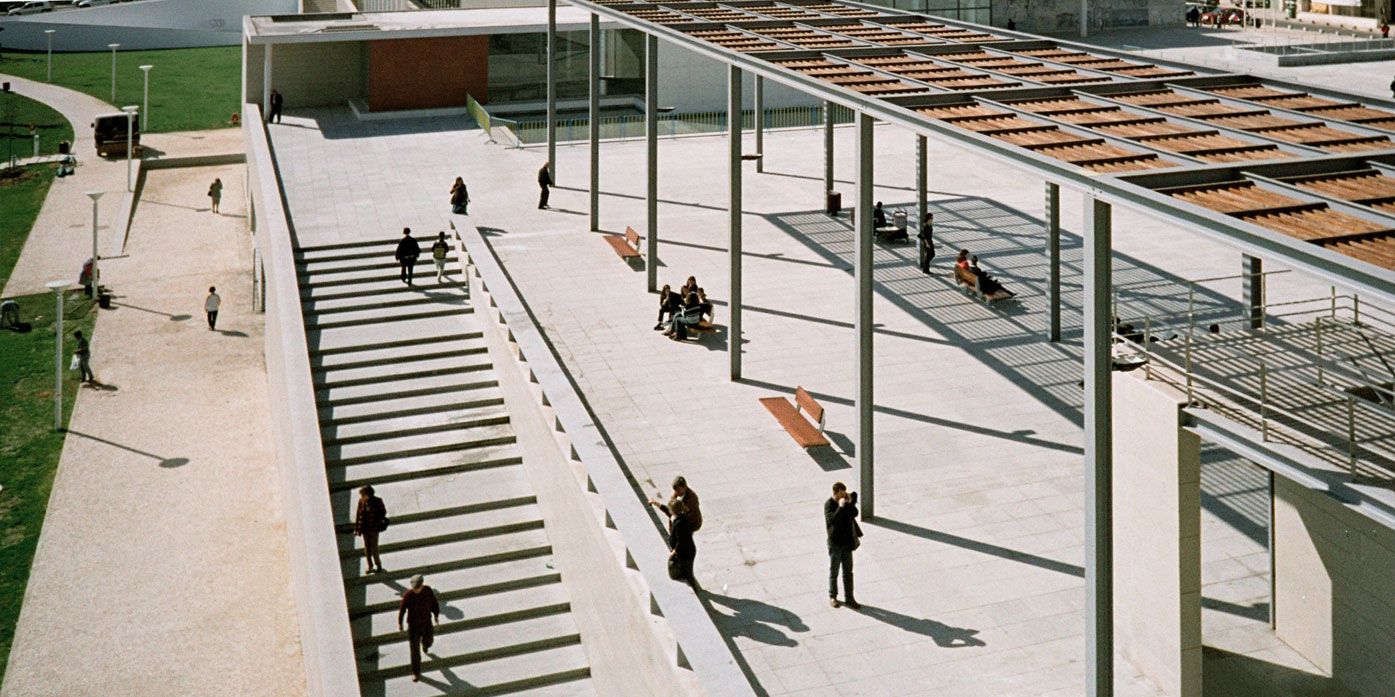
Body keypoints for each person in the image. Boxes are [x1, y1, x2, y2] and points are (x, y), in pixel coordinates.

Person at [649, 476, 702, 582]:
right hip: (681, 536)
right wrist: (655, 503)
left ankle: (691, 581)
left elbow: (682, 540)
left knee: (687, 567)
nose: (676, 492)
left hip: (686, 539)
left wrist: (674, 552)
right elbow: (668, 510)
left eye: (678, 489)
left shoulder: (689, 503)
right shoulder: (676, 504)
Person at [397, 574, 440, 682]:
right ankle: (416, 672)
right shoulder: (408, 595)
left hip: (426, 623)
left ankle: (425, 645)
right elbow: (402, 609)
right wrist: (400, 623)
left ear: (422, 585)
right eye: (414, 588)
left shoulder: (427, 591)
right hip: (413, 626)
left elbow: (434, 603)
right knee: (414, 651)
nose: (416, 590)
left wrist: (436, 615)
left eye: (418, 588)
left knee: (429, 640)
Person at [825, 481, 860, 609]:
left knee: (848, 572)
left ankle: (849, 597)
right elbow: (833, 520)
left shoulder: (846, 502)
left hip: (846, 543)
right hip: (835, 543)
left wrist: (849, 503)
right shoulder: (829, 505)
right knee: (834, 571)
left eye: (844, 495)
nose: (842, 497)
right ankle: (833, 596)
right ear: (834, 493)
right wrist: (840, 507)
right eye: (840, 495)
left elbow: (855, 513)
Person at [354, 485, 387, 574]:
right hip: (365, 528)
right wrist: (357, 528)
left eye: (363, 494)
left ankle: (378, 565)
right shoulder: (361, 501)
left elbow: (383, 512)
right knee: (367, 549)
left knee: (374, 548)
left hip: (374, 528)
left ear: (368, 494)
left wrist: (377, 520)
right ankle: (370, 566)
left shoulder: (377, 501)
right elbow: (358, 514)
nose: (362, 497)